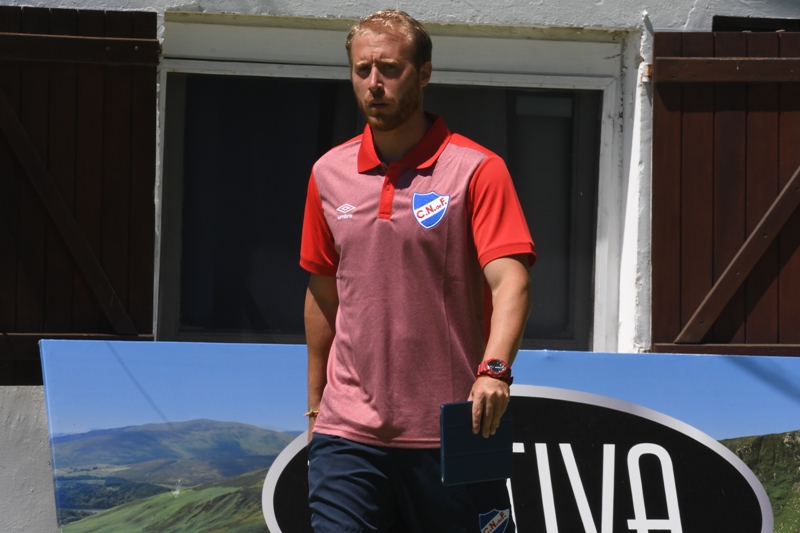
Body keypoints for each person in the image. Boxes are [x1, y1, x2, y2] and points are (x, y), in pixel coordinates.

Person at [300, 9, 536, 532]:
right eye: (362, 71)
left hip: (457, 431)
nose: (374, 84)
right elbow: (323, 296)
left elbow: (511, 280)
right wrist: (316, 411)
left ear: (424, 73)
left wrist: (494, 370)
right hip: (348, 436)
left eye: (389, 68)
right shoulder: (327, 174)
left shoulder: (477, 169)